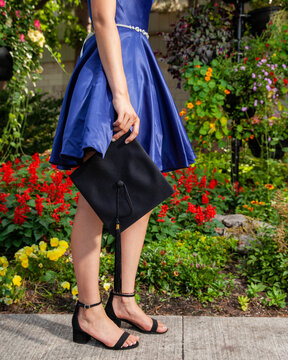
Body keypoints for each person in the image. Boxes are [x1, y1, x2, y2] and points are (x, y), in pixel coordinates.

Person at [49, 0, 196, 350]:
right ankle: (88, 311)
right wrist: (120, 95)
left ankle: (124, 301)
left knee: (138, 185)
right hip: (110, 70)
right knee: (97, 193)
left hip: (137, 63)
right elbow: (102, 18)